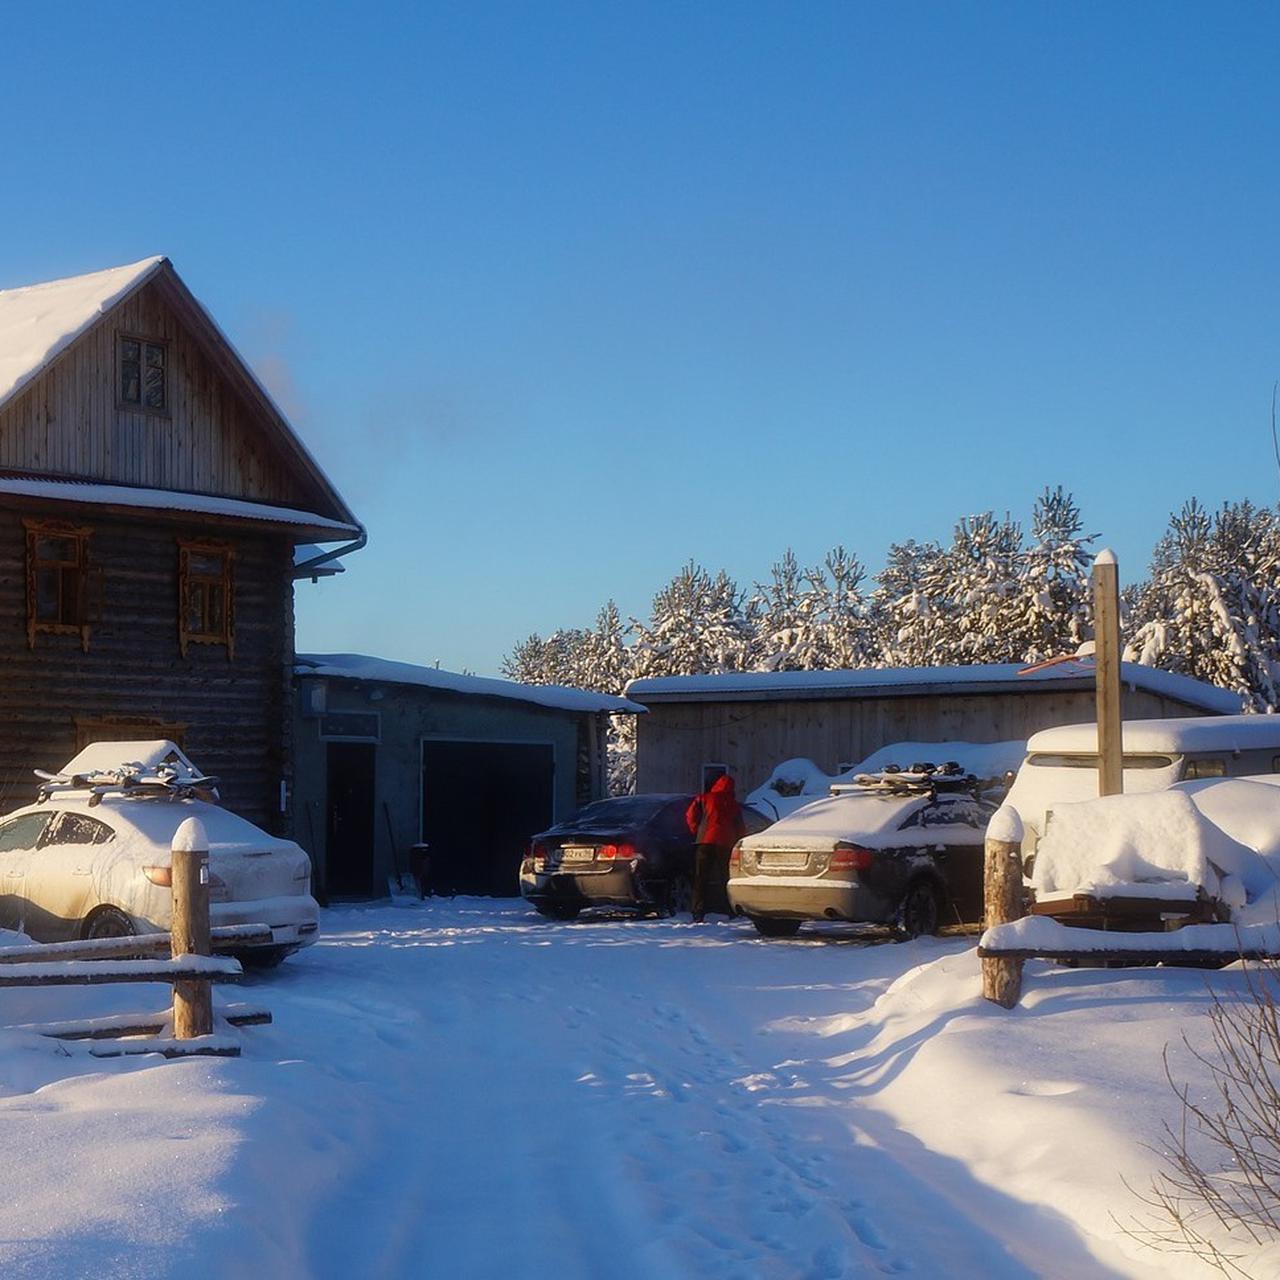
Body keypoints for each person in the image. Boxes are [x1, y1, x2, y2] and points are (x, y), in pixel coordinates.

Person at [685, 773, 745, 922]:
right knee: (726, 878)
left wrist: (696, 830)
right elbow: (740, 826)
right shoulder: (733, 804)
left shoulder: (704, 798)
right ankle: (730, 910)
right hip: (725, 843)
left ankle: (698, 911)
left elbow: (690, 815)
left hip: (705, 841)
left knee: (700, 878)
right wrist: (738, 840)